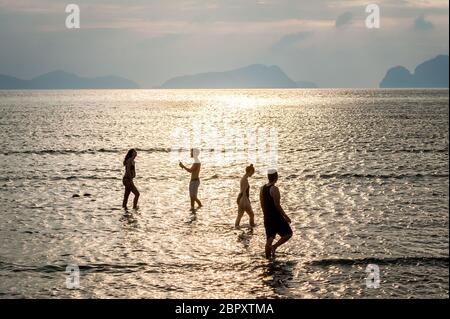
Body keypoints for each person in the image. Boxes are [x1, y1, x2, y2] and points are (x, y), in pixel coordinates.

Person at [260, 169, 292, 259]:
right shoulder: (274, 189)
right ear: (276, 177)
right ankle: (275, 247)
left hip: (267, 217)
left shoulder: (262, 188)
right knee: (288, 233)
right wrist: (285, 216)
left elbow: (262, 204)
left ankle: (267, 259)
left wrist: (265, 215)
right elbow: (277, 205)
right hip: (276, 217)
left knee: (269, 239)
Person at [235, 164, 256, 228]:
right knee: (251, 215)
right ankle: (252, 226)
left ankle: (236, 226)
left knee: (240, 215)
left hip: (241, 198)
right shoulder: (245, 180)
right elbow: (244, 192)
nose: (252, 174)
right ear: (249, 171)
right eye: (252, 172)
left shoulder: (243, 178)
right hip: (243, 199)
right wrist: (245, 202)